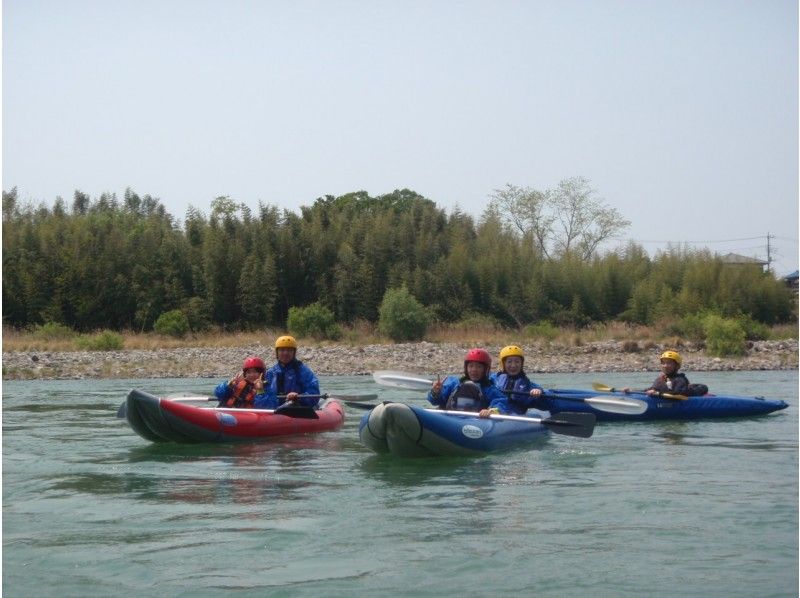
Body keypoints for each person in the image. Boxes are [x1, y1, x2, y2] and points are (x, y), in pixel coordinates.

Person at [427, 348, 509, 418]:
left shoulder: (489, 388)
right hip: (451, 419)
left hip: (476, 422)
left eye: (479, 367)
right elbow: (435, 401)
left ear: (485, 369)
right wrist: (435, 392)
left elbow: (501, 402)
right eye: (471, 366)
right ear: (466, 368)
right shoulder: (454, 383)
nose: (474, 370)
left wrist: (491, 411)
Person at [255, 335, 321, 409]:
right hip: (276, 412)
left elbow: (314, 394)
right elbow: (263, 405)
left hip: (298, 410)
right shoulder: (270, 373)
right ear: (277, 352)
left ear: (294, 352)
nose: (285, 353)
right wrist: (260, 391)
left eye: (289, 350)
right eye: (282, 350)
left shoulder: (304, 371)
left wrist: (299, 397)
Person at [490, 345, 549, 416]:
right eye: (509, 362)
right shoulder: (495, 378)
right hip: (496, 410)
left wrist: (537, 390)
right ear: (503, 364)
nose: (513, 365)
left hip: (516, 414)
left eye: (517, 362)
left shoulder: (525, 382)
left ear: (521, 364)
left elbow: (536, 387)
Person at [624, 349, 690, 396]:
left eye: (669, 363)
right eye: (663, 363)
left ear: (677, 366)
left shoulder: (681, 380)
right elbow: (650, 389)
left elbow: (678, 393)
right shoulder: (660, 379)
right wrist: (632, 391)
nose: (665, 366)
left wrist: (658, 393)